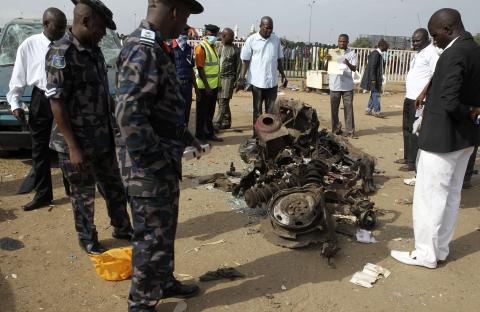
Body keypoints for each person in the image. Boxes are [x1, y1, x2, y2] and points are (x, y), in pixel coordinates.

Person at [115, 0, 204, 310]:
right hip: (147, 168)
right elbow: (129, 117)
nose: (187, 23)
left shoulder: (158, 47)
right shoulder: (143, 48)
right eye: (188, 15)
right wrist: (158, 162)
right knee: (150, 238)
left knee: (164, 229)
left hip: (161, 164)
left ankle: (163, 281)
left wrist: (185, 134)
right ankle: (141, 304)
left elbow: (158, 110)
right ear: (176, 12)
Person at [391, 8, 480, 269]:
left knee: (429, 198)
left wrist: (470, 112)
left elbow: (450, 102)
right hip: (465, 140)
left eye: (434, 35)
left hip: (442, 140)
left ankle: (425, 254)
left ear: (448, 29)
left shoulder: (453, 54)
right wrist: (474, 114)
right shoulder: (474, 50)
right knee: (450, 196)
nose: (433, 41)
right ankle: (440, 249)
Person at [45, 0, 133, 255]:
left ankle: (122, 226)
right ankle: (87, 238)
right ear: (85, 21)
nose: (104, 33)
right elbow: (57, 103)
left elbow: (102, 94)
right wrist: (73, 147)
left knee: (114, 187)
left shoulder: (93, 49)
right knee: (83, 196)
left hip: (101, 137)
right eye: (101, 27)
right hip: (76, 143)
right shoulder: (61, 53)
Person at [7, 8, 67, 211]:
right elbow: (18, 77)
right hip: (40, 100)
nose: (61, 31)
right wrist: (15, 103)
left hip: (64, 98)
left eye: (63, 27)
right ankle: (43, 195)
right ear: (45, 25)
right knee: (40, 150)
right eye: (57, 27)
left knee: (66, 148)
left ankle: (72, 190)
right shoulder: (29, 45)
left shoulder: (68, 45)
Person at [396, 28, 439, 172]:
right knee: (406, 128)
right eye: (413, 40)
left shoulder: (432, 53)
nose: (414, 43)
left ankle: (412, 162)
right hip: (409, 97)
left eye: (417, 40)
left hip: (419, 100)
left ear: (427, 39)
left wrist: (423, 94)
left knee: (415, 130)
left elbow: (435, 76)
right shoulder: (419, 53)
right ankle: (407, 156)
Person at [236, 16, 287, 132]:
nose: (269, 31)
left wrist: (283, 74)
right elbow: (245, 60)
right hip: (257, 83)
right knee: (257, 111)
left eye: (271, 28)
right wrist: (241, 78)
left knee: (271, 112)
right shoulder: (252, 40)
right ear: (260, 26)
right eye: (266, 28)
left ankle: (268, 135)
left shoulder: (276, 40)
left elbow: (279, 59)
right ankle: (257, 136)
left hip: (272, 83)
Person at [194, 24, 222, 142]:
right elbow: (200, 69)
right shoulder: (201, 48)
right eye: (211, 35)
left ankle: (209, 134)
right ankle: (200, 137)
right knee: (201, 113)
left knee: (210, 112)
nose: (213, 37)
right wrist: (207, 87)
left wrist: (217, 85)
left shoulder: (213, 47)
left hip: (213, 86)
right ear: (206, 34)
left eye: (215, 35)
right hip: (204, 87)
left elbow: (215, 68)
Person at [326, 34, 358, 137]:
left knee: (348, 108)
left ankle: (350, 130)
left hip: (347, 85)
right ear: (338, 41)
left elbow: (354, 69)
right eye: (340, 41)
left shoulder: (352, 54)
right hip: (334, 85)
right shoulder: (332, 52)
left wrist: (347, 63)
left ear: (348, 42)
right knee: (334, 109)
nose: (342, 43)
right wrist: (327, 60)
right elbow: (326, 67)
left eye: (344, 41)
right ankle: (335, 129)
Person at [213, 27, 241, 130]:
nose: (233, 38)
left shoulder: (235, 50)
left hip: (228, 78)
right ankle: (226, 121)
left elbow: (239, 66)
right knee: (219, 100)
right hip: (216, 78)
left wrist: (238, 81)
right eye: (231, 37)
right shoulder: (216, 46)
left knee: (223, 100)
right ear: (224, 36)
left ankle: (216, 123)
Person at [171, 27, 196, 126]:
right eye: (182, 32)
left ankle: (185, 135)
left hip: (188, 86)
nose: (184, 35)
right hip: (175, 86)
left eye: (186, 32)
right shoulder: (170, 48)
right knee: (176, 112)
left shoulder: (189, 49)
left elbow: (191, 69)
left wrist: (196, 89)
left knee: (186, 112)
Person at [361, 39, 389, 118]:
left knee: (374, 94)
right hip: (374, 79)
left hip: (375, 78)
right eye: (386, 47)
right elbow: (372, 68)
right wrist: (373, 80)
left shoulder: (376, 53)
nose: (387, 48)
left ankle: (368, 109)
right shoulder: (376, 54)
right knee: (376, 94)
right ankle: (377, 111)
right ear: (382, 46)